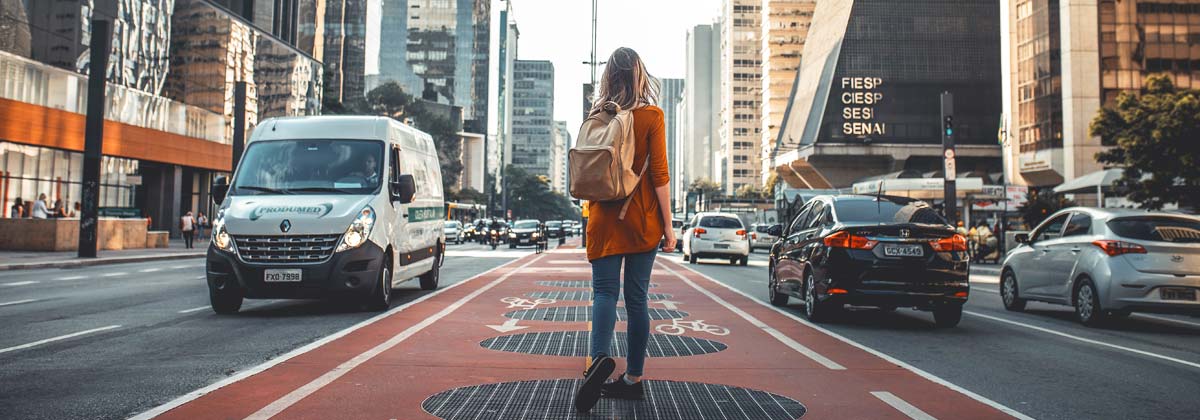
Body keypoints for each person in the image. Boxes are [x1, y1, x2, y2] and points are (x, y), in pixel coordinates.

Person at [573, 47, 675, 412]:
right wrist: (669, 226)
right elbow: (660, 175)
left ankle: (598, 359)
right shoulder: (653, 116)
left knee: (603, 294)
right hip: (642, 221)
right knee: (637, 300)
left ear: (608, 78)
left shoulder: (597, 115)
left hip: (603, 219)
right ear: (639, 75)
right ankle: (633, 378)